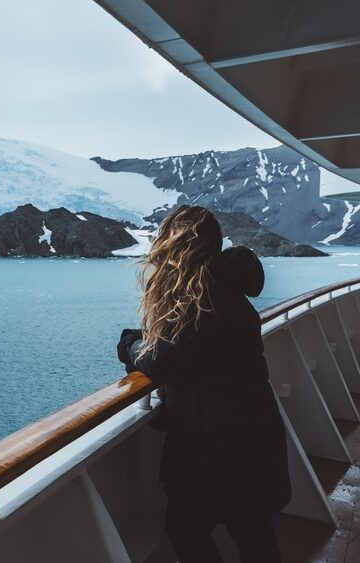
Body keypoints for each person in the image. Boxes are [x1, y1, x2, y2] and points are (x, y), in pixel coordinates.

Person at [116, 205, 290, 563]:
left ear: (178, 245)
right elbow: (192, 350)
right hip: (247, 439)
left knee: (188, 530)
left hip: (221, 450)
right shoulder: (221, 291)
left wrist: (130, 344)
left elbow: (160, 361)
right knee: (253, 537)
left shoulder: (202, 297)